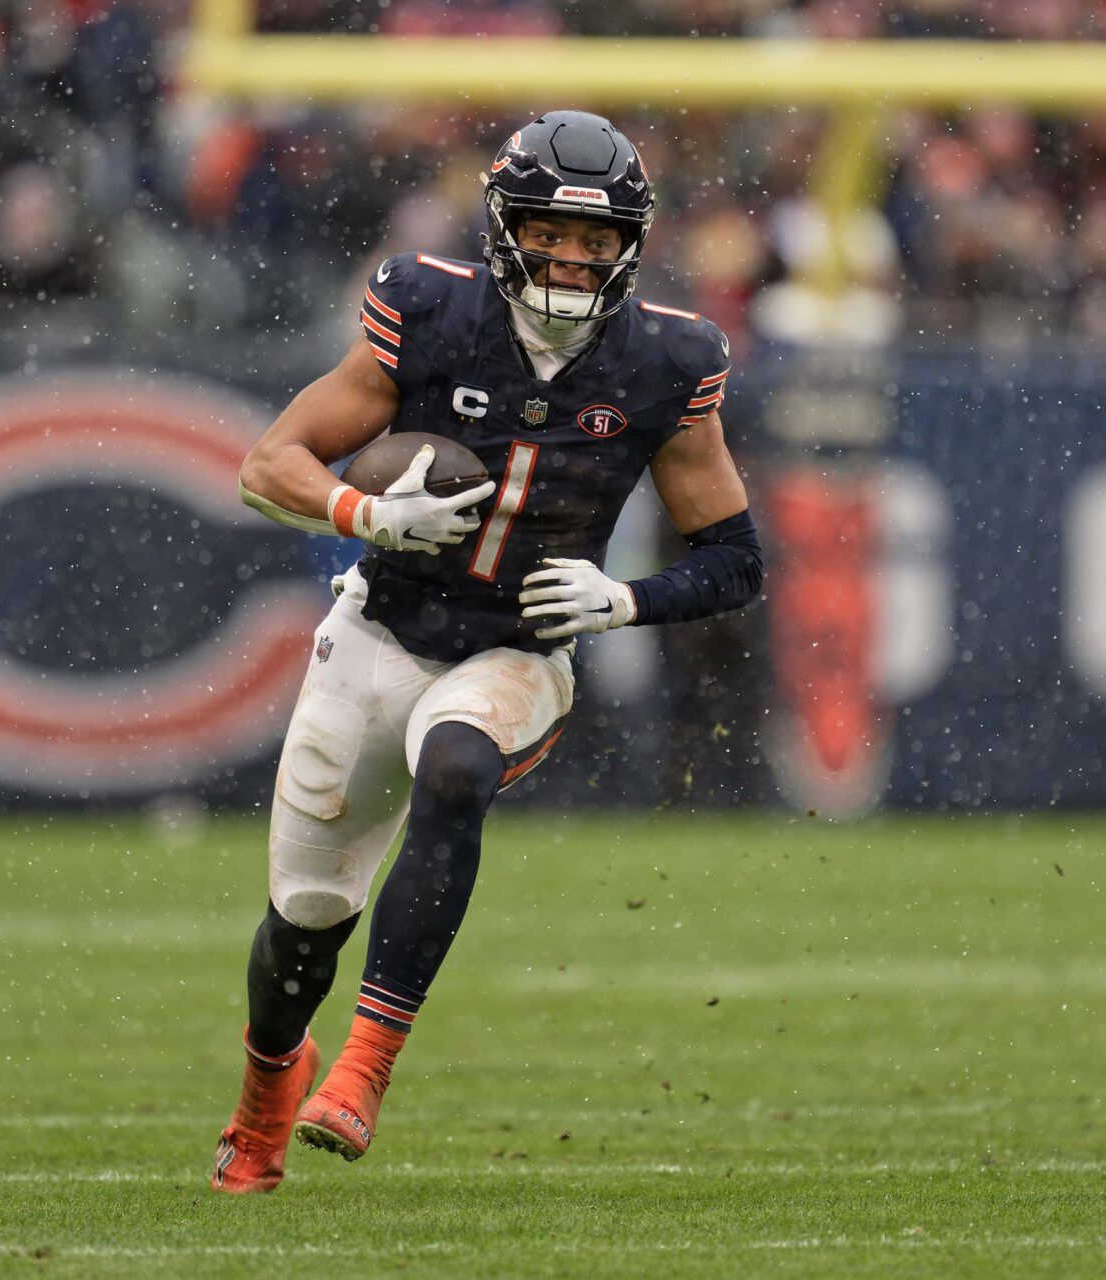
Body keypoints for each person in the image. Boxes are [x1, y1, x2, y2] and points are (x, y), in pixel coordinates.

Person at [213, 110, 765, 1194]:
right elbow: (265, 463)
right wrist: (360, 516)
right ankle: (267, 1093)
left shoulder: (668, 360)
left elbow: (737, 560)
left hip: (518, 650)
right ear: (504, 227)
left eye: (593, 239)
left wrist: (625, 600)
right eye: (549, 231)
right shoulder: (428, 311)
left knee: (457, 766)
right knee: (301, 931)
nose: (570, 255)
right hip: (380, 631)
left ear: (629, 246)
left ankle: (366, 1069)